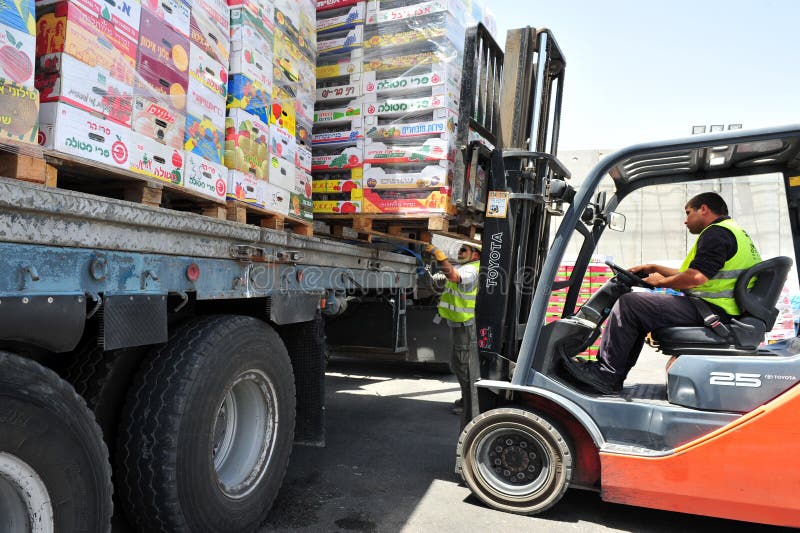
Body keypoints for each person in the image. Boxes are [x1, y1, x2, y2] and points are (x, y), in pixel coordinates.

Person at [565, 192, 761, 394]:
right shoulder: (733, 231)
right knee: (639, 308)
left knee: (630, 304)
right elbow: (697, 272)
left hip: (714, 313)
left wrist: (660, 282)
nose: (686, 220)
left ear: (704, 209)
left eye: (688, 213)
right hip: (720, 310)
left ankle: (606, 374)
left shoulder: (716, 234)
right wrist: (654, 268)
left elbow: (696, 278)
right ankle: (612, 374)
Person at [426, 241, 482, 422]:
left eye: (464, 250)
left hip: (465, 325)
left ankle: (470, 403)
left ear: (475, 255)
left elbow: (455, 277)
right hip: (458, 324)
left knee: (464, 365)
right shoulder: (464, 267)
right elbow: (445, 277)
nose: (460, 251)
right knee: (458, 363)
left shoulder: (472, 269)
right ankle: (467, 398)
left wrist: (439, 256)